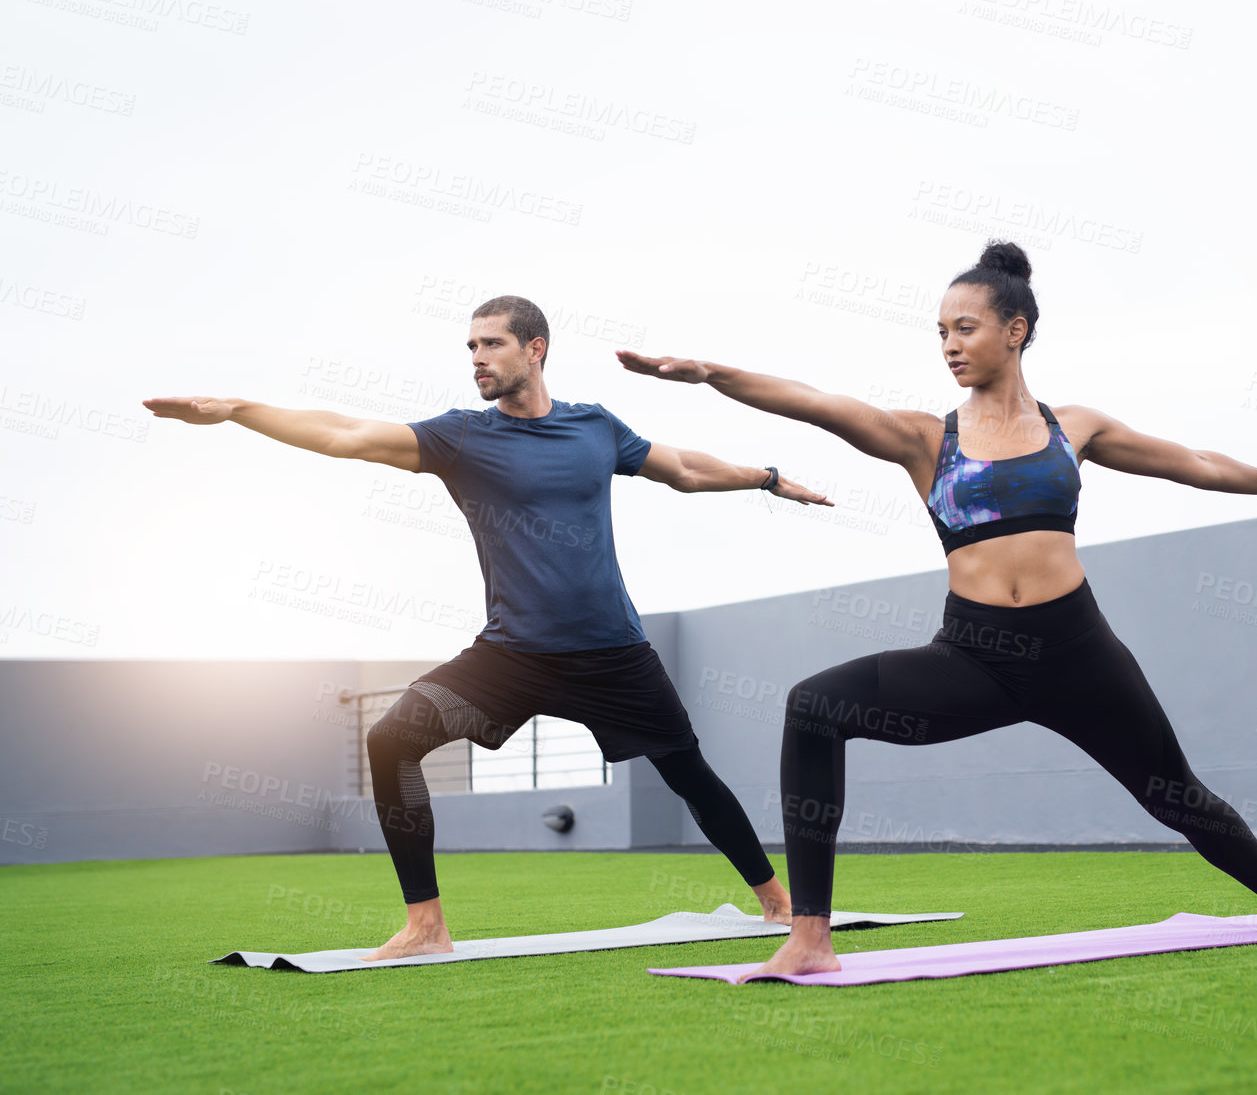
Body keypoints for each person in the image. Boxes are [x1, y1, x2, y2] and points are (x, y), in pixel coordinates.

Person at [617, 241, 1257, 978]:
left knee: (1175, 793)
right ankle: (810, 933)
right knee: (814, 706)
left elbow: (1194, 463)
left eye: (964, 327)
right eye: (940, 331)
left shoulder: (1073, 427)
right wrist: (710, 373)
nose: (948, 344)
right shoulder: (923, 438)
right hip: (974, 656)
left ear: (1015, 330)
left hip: (1079, 654)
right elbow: (816, 404)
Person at [145, 295, 824, 959]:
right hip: (513, 654)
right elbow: (347, 435)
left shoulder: (594, 427)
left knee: (687, 771)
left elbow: (683, 469)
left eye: (490, 342)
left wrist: (764, 477)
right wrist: (239, 411)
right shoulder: (462, 436)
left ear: (536, 348)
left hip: (613, 651)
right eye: (470, 345)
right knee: (392, 738)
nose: (476, 357)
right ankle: (425, 924)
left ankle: (775, 902)